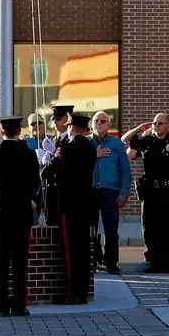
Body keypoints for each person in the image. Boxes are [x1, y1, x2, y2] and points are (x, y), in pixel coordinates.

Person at [0, 116, 40, 316]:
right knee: (21, 262)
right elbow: (34, 184)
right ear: (19, 131)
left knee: (1, 260)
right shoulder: (29, 154)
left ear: (1, 131)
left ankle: (2, 305)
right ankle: (20, 305)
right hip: (22, 213)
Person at [126, 114, 169, 274]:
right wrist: (139, 129)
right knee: (149, 227)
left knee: (167, 228)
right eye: (155, 123)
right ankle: (152, 261)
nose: (157, 125)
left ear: (168, 125)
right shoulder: (147, 141)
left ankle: (167, 263)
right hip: (150, 192)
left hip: (168, 191)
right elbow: (126, 146)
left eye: (161, 123)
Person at [57, 113, 97, 304]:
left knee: (70, 251)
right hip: (86, 204)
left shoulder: (67, 148)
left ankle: (72, 294)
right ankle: (81, 291)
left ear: (71, 128)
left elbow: (55, 171)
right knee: (82, 251)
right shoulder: (90, 148)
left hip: (70, 205)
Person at [89, 112, 131, 275]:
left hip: (110, 193)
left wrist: (124, 193)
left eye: (103, 121)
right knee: (90, 229)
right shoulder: (85, 143)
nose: (99, 123)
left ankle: (111, 263)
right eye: (96, 121)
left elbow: (124, 171)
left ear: (108, 124)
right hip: (90, 192)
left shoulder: (116, 144)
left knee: (111, 229)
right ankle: (92, 261)